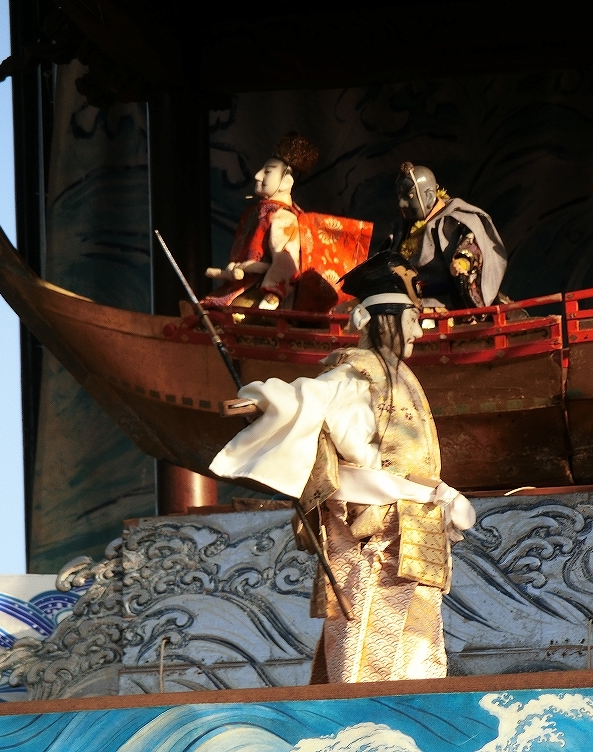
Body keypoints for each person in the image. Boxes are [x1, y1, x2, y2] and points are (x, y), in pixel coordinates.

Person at [209, 251, 476, 683]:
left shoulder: (399, 375)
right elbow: (306, 397)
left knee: (417, 637)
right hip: (374, 528)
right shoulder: (354, 373)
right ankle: (368, 716)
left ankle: (411, 708)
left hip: (414, 523)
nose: (418, 330)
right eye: (411, 318)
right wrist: (264, 399)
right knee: (371, 635)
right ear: (378, 319)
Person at [203, 132, 319, 310]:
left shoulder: (284, 217)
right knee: (207, 311)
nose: (258, 176)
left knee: (226, 316)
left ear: (286, 181)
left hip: (264, 292)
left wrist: (273, 296)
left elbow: (286, 263)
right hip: (245, 284)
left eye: (268, 171)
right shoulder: (257, 213)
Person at [393, 162, 507, 310]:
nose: (401, 204)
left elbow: (472, 246)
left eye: (409, 196)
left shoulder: (456, 219)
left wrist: (462, 262)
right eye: (400, 197)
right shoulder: (403, 228)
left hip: (446, 304)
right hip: (409, 303)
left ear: (428, 195)